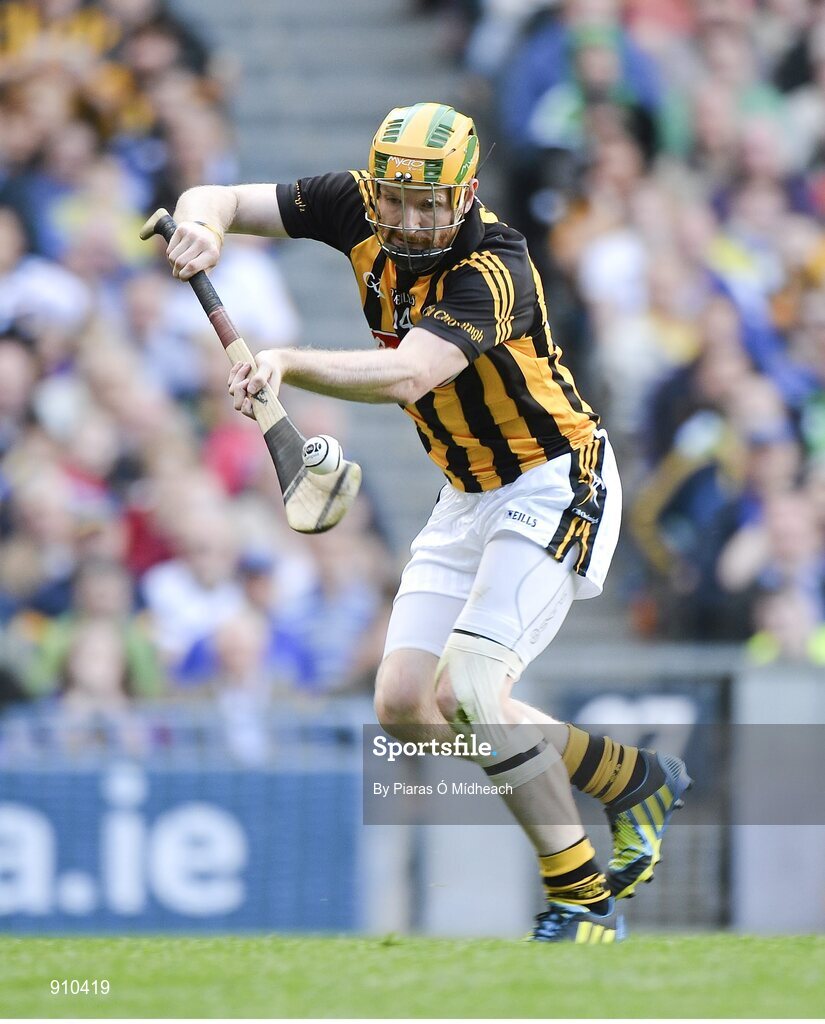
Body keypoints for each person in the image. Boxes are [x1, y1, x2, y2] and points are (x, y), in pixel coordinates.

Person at [153, 102, 691, 943]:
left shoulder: (497, 262)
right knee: (407, 704)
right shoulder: (352, 202)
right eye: (396, 201)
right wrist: (201, 232)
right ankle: (629, 776)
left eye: (430, 202)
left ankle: (581, 898)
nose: (408, 221)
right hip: (463, 491)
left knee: (472, 690)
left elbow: (409, 375)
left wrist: (289, 362)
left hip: (553, 479)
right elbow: (213, 196)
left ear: (466, 193)